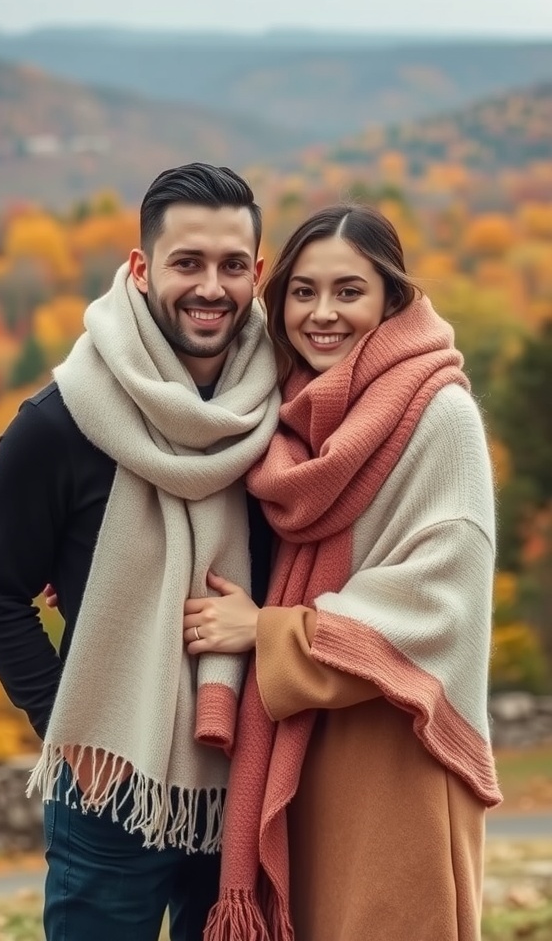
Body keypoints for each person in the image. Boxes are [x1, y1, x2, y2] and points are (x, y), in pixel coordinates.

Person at [0, 163, 280, 941]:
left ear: (258, 270)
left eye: (231, 265)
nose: (211, 286)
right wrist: (71, 727)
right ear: (142, 269)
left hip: (250, 778)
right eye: (187, 263)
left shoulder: (284, 414)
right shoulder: (59, 423)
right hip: (110, 788)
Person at [182, 204, 502, 941]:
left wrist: (266, 631)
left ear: (392, 299)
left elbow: (440, 599)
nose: (322, 314)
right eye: (303, 291)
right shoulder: (286, 415)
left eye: (348, 291)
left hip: (396, 741)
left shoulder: (439, 413)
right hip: (305, 737)